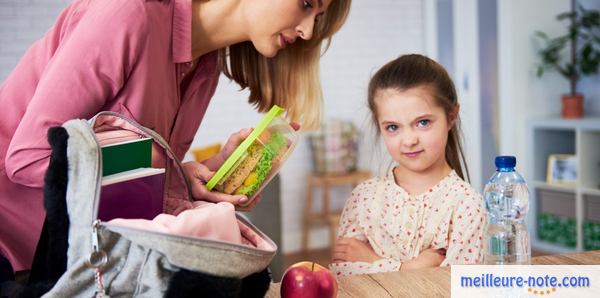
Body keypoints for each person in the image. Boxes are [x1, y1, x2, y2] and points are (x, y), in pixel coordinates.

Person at [0, 0, 351, 276]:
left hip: (66, 259)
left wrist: (186, 177)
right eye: (307, 3)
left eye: (318, 18)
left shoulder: (206, 68)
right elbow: (28, 158)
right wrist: (156, 163)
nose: (307, 31)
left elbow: (131, 173)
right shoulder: (128, 13)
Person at [330, 54, 485, 276]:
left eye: (423, 123)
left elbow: (459, 288)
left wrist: (373, 261)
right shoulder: (364, 197)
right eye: (393, 127)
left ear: (451, 117)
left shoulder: (466, 205)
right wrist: (410, 267)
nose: (409, 140)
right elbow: (343, 276)